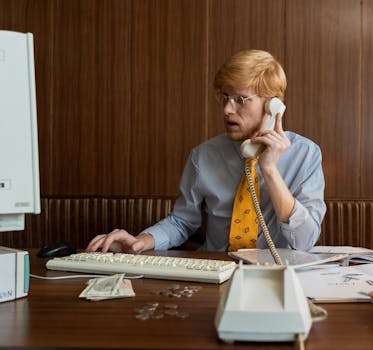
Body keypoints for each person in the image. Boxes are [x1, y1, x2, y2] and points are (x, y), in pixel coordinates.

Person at [86, 49, 326, 253]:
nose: (227, 110)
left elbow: (304, 241)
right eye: (224, 98)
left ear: (273, 105)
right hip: (215, 271)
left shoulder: (306, 154)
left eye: (241, 99)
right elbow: (182, 222)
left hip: (280, 275)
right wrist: (140, 242)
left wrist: (270, 170)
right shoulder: (203, 156)